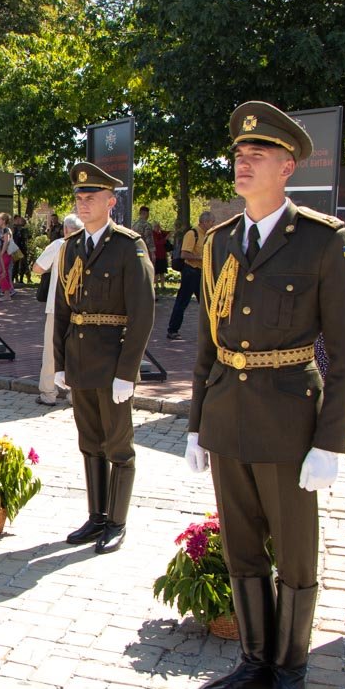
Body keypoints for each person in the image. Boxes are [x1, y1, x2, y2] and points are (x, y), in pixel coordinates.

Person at [185, 101, 345, 689]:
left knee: (295, 555)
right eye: (239, 154)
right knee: (241, 550)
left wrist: (331, 441)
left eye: (257, 155)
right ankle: (255, 658)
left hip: (291, 419)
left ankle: (291, 668)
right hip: (229, 413)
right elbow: (209, 339)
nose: (243, 161)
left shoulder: (323, 240)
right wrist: (196, 422)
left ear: (288, 167)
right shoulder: (220, 240)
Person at [53, 164, 155, 555]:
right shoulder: (72, 247)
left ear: (111, 202)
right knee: (89, 442)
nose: (83, 204)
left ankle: (116, 521)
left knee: (118, 446)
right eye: (79, 198)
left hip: (113, 364)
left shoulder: (129, 246)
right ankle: (96, 517)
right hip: (80, 362)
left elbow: (142, 313)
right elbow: (64, 310)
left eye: (91, 198)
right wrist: (60, 362)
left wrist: (127, 372)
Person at [33, 213, 81, 405]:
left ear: (65, 229)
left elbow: (37, 268)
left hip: (57, 306)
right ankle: (74, 394)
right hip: (80, 307)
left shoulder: (59, 245)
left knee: (52, 351)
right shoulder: (90, 245)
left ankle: (48, 393)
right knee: (77, 351)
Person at [166, 212, 214, 340]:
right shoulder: (192, 234)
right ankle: (172, 330)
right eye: (211, 222)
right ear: (204, 222)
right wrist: (201, 258)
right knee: (182, 301)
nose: (213, 224)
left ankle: (210, 331)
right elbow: (184, 254)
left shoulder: (207, 235)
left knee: (206, 302)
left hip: (200, 272)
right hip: (190, 271)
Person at [0, 213, 15, 298]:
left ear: (4, 221)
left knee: (1, 273)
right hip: (5, 254)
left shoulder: (6, 230)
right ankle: (8, 292)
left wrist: (1, 253)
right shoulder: (3, 230)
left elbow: (6, 243)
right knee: (4, 273)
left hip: (5, 254)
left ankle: (7, 293)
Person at [152, 221, 170, 290]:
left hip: (163, 255)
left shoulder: (161, 233)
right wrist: (165, 239)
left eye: (158, 226)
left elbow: (168, 232)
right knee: (156, 271)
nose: (157, 228)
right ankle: (156, 285)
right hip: (156, 255)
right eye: (156, 226)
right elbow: (157, 243)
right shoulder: (153, 234)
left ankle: (163, 285)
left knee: (162, 271)